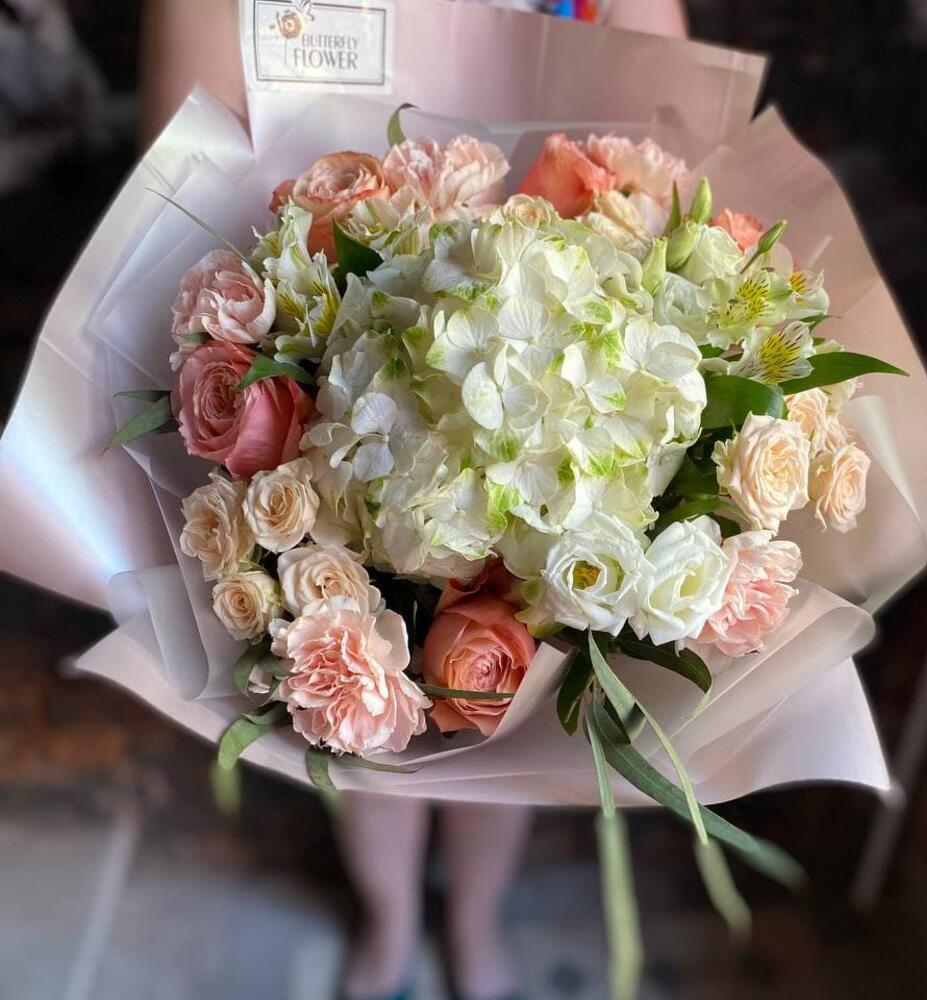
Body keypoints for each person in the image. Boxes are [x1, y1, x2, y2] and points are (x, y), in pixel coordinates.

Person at [138, 2, 685, 996]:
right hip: (330, 400)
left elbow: (670, 127)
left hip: (550, 410)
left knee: (499, 704)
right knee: (359, 710)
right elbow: (172, 172)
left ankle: (473, 919)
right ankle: (389, 921)